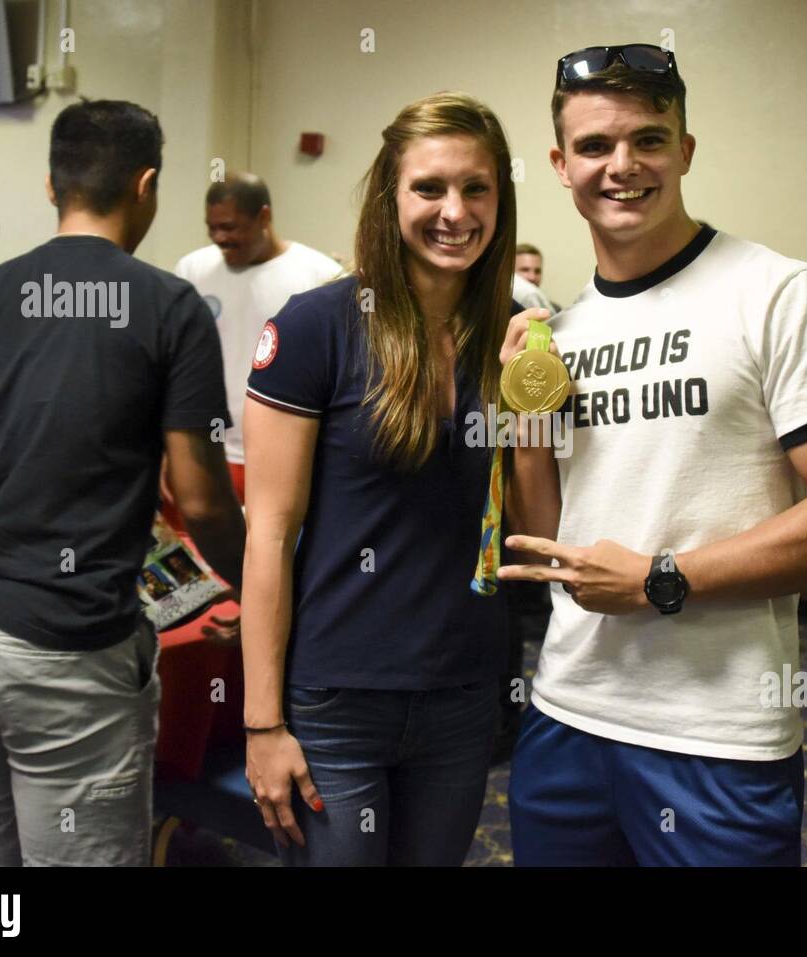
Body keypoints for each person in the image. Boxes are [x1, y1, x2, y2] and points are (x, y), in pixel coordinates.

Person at [500, 44, 807, 866]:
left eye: (649, 140)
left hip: (716, 738)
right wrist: (524, 416)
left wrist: (660, 580)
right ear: (559, 163)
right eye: (594, 146)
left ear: (684, 151)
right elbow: (547, 538)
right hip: (567, 715)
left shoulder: (781, 293)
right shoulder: (563, 331)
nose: (623, 166)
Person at [0, 99, 246, 867]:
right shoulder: (168, 306)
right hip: (62, 641)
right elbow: (202, 497)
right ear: (147, 185)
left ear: (52, 187)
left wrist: (2, 485)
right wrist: (263, 581)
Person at [240, 91, 535, 866]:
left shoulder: (517, 334)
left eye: (477, 189)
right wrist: (262, 722)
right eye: (429, 188)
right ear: (390, 198)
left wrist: (529, 401)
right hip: (338, 695)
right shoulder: (315, 327)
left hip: (466, 688)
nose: (455, 211)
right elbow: (268, 533)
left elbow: (537, 531)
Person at [174, 174, 342, 500]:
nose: (219, 238)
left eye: (230, 227)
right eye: (212, 227)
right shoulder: (192, 270)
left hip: (283, 458)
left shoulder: (319, 276)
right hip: (208, 453)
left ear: (264, 216)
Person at [513, 242, 559, 312]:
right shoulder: (501, 308)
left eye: (537, 271)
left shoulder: (555, 309)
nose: (532, 277)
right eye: (525, 270)